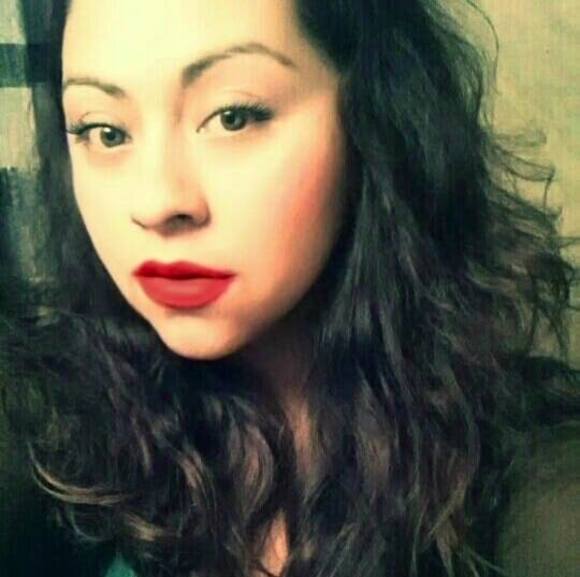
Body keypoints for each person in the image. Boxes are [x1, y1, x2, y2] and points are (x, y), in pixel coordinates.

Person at [1, 0, 578, 576]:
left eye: (233, 117)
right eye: (105, 132)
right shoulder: (53, 428)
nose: (156, 202)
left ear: (374, 118)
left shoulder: (534, 486)